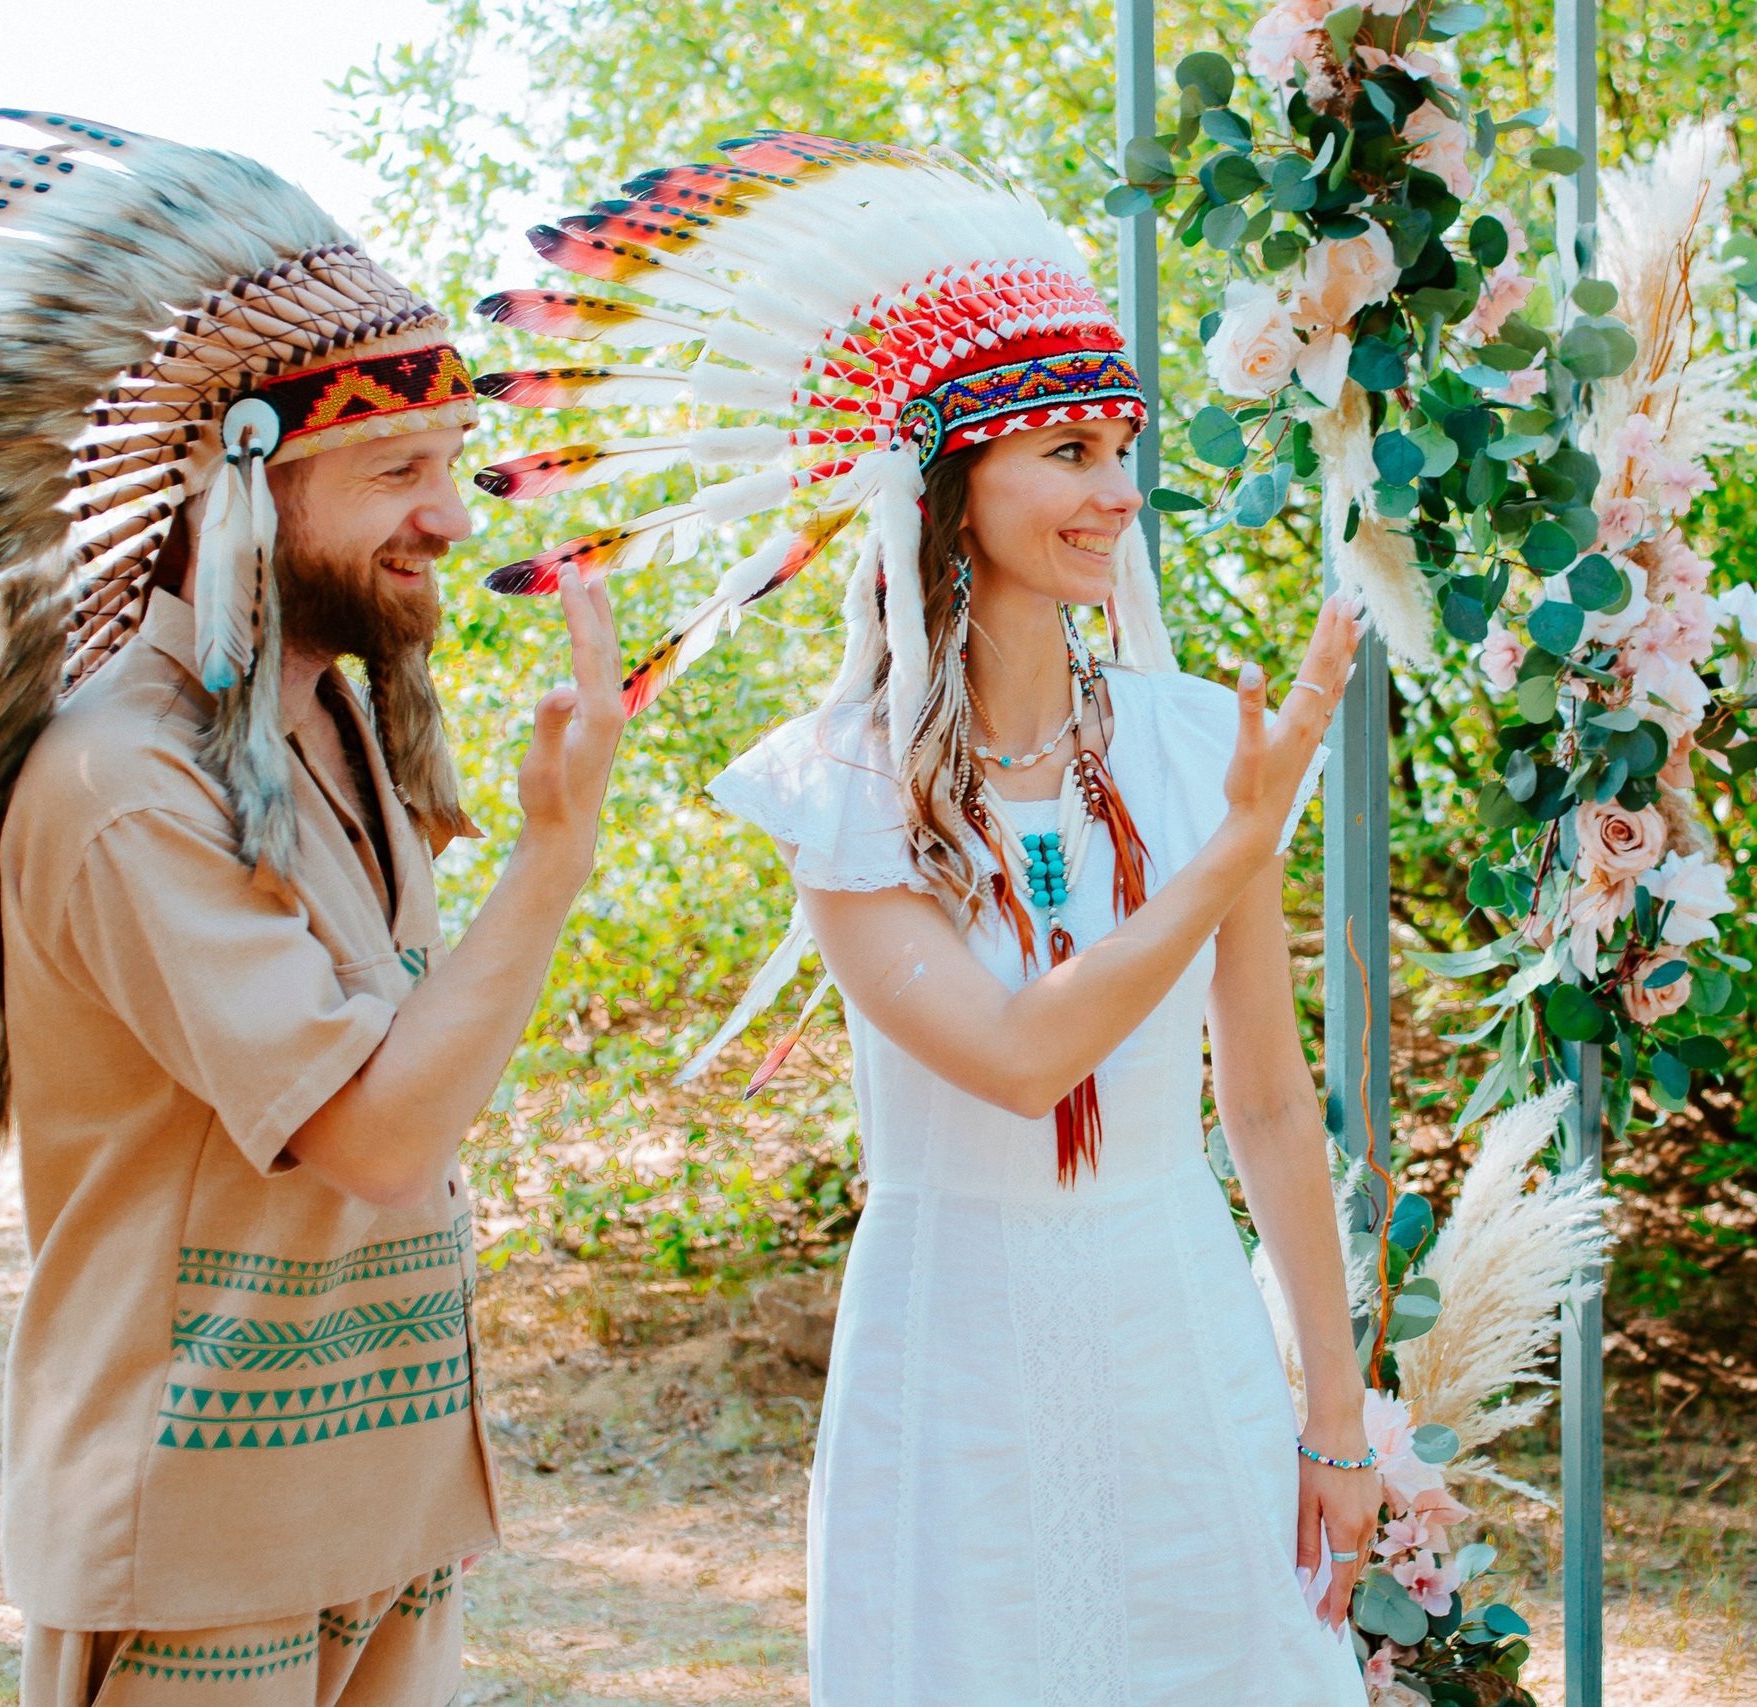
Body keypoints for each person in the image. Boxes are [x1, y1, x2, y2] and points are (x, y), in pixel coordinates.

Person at [473, 132, 1380, 1702]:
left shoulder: (1190, 743)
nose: (1117, 491)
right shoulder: (845, 786)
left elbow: (1274, 1105)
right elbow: (1023, 1060)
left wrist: (1339, 1422)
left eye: (1121, 446)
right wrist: (1232, 856)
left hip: (1178, 1324)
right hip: (954, 1356)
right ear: (953, 491)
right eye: (1069, 453)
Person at [0, 117, 624, 1706]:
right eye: (395, 469)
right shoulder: (123, 776)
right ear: (240, 479)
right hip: (195, 1531)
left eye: (449, 466)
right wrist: (552, 857)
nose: (448, 516)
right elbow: (376, 1142)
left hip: (383, 1498)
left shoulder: (328, 720)